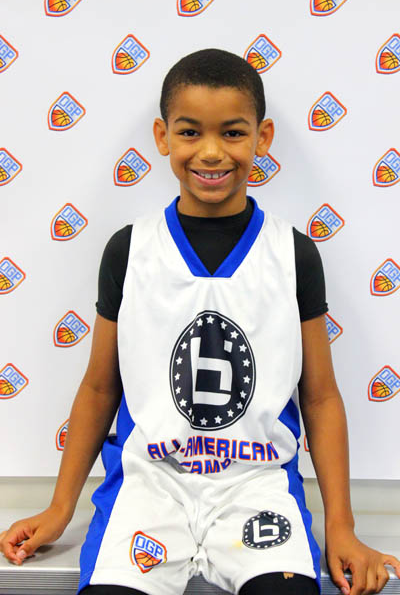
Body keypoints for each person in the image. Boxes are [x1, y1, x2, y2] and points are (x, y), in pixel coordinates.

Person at [1, 48, 399, 595]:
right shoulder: (130, 250)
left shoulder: (293, 253)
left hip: (256, 485)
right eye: (190, 132)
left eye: (233, 133)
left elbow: (322, 397)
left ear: (263, 138)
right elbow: (99, 388)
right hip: (148, 487)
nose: (211, 152)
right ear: (163, 137)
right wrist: (59, 507)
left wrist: (342, 527)